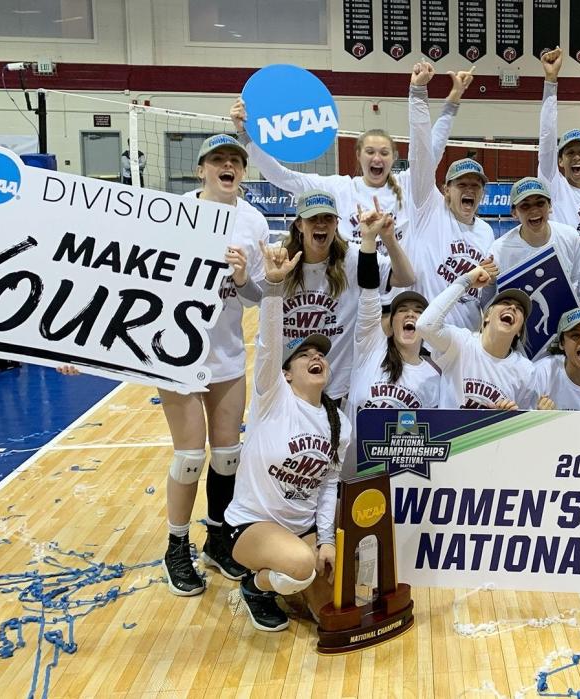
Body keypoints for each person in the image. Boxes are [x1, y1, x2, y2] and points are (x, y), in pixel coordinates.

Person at [159, 135, 269, 594]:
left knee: (227, 456)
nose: (229, 166)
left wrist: (243, 277)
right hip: (177, 353)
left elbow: (256, 297)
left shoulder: (254, 221)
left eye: (236, 161)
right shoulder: (172, 213)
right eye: (219, 160)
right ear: (201, 169)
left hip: (224, 355)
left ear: (243, 172)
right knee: (189, 457)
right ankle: (175, 546)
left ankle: (218, 539)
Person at [225, 240, 347, 632]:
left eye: (321, 355)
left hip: (302, 531)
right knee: (301, 566)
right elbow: (267, 346)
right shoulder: (272, 398)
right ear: (287, 373)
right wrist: (274, 289)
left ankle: (289, 572)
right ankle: (254, 584)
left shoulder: (338, 422)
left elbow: (329, 484)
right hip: (253, 525)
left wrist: (326, 539)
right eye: (303, 356)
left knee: (337, 592)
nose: (316, 358)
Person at [229, 68, 466, 246]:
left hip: (399, 295)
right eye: (370, 152)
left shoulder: (408, 185)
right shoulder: (338, 189)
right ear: (359, 156)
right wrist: (245, 135)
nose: (377, 158)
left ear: (394, 158)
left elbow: (430, 150)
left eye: (384, 153)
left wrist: (452, 100)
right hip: (352, 297)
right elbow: (281, 176)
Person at [271, 189, 415, 404]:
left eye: (327, 218)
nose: (321, 224)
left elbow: (406, 277)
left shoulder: (354, 259)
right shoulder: (280, 259)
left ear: (336, 223)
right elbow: (253, 299)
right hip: (287, 384)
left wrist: (388, 239)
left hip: (337, 386)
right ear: (300, 224)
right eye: (313, 218)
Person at [406, 63, 496, 330]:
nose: (469, 189)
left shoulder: (486, 233)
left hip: (464, 344)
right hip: (425, 339)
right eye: (461, 184)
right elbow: (423, 151)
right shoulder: (429, 209)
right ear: (446, 190)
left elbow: (485, 295)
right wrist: (419, 92)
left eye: (476, 185)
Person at [348, 203, 440, 414]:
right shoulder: (371, 348)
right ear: (391, 323)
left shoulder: (433, 377)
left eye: (418, 311)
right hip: (357, 448)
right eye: (402, 310)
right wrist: (369, 239)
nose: (410, 313)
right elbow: (369, 289)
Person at [417, 258, 537, 409]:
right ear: (486, 316)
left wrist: (506, 419)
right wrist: (466, 280)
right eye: (505, 303)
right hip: (449, 432)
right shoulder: (461, 343)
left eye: (519, 309)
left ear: (519, 330)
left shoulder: (525, 371)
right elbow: (425, 325)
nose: (512, 307)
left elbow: (524, 425)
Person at [538, 47, 580, 306]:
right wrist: (550, 84)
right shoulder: (554, 188)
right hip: (561, 289)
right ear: (561, 160)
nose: (577, 157)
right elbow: (546, 139)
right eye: (570, 153)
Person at [489, 177, 580, 303]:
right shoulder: (498, 250)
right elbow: (490, 303)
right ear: (514, 213)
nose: (534, 210)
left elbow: (575, 280)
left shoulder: (570, 237)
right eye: (525, 206)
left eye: (540, 203)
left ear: (550, 206)